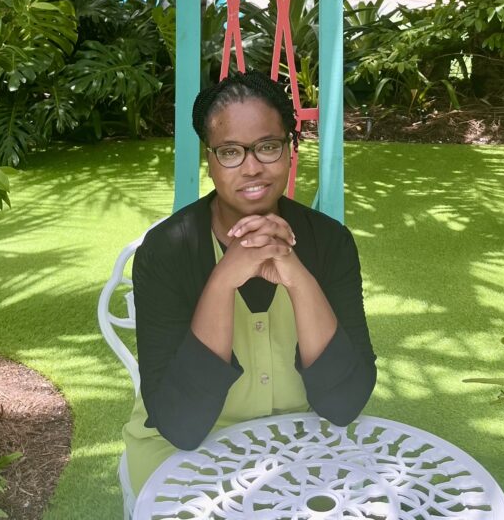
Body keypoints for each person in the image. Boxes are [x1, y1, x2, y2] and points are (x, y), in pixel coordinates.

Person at [122, 70, 376, 495]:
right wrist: (222, 281)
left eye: (268, 146)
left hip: (303, 441)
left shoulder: (330, 242)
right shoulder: (166, 251)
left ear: (290, 149)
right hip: (182, 453)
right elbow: (182, 425)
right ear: (210, 158)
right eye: (231, 152)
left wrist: (298, 276)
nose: (253, 167)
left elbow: (344, 403)